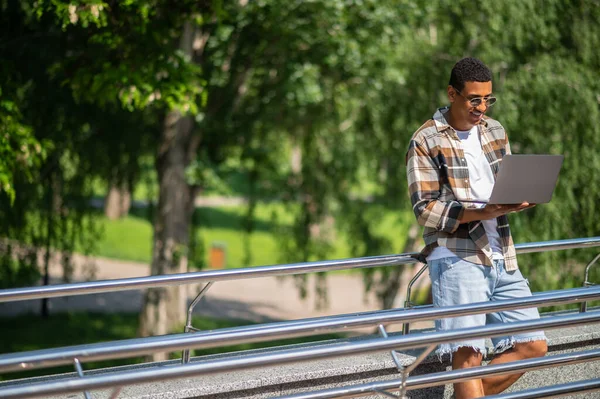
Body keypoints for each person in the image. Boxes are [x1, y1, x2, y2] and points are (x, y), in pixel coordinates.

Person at [405, 57, 548, 399]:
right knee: (468, 357)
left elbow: (504, 187)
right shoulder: (425, 139)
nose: (482, 107)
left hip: (502, 255)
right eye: (474, 99)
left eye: (488, 99)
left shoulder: (495, 130)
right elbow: (425, 210)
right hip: (457, 258)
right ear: (452, 93)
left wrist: (519, 198)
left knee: (534, 345)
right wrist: (484, 211)